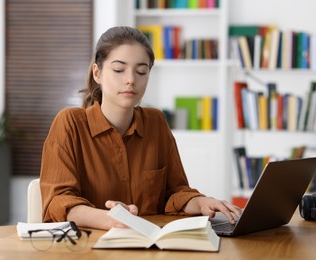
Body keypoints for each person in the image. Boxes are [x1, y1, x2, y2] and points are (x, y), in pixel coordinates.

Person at [40, 26, 241, 230]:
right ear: (97, 73)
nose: (131, 80)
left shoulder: (156, 123)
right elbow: (58, 202)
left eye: (141, 71)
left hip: (150, 248)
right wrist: (109, 218)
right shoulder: (70, 123)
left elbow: (175, 192)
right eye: (119, 70)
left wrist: (200, 202)